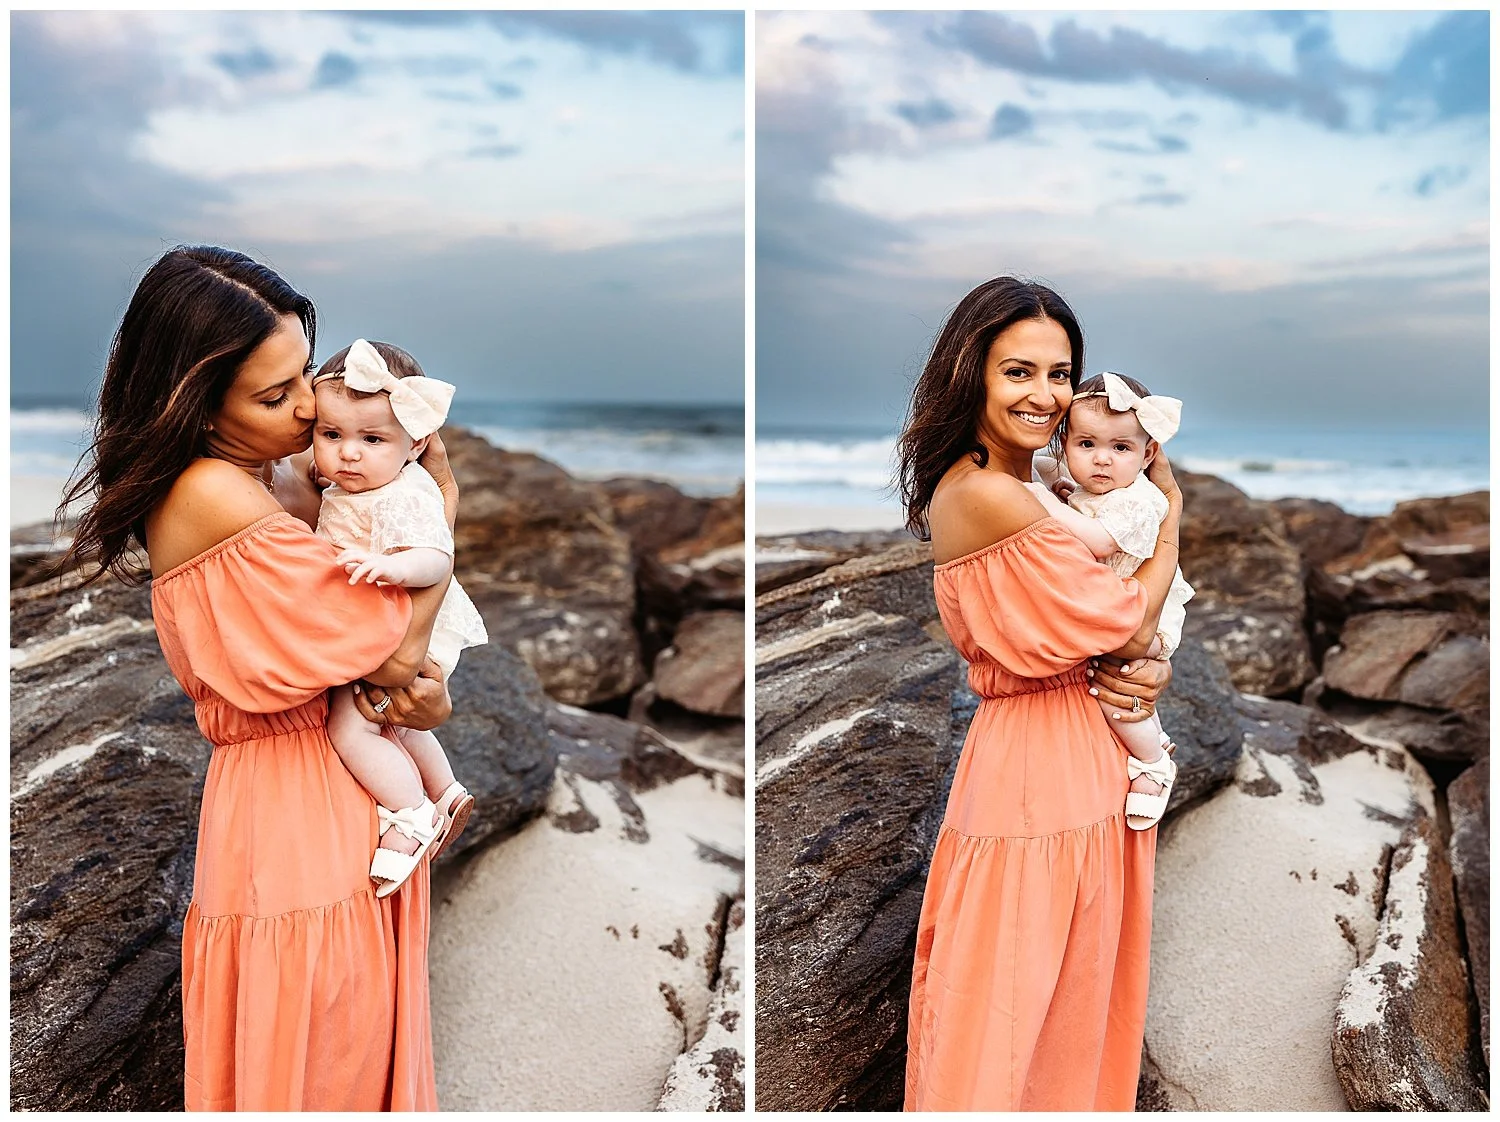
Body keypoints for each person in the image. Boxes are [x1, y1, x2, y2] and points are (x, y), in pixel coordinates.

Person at [57, 245, 452, 1110]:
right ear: (195, 407)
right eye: (275, 397)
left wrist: (421, 691)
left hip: (335, 783)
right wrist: (445, 529)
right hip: (292, 808)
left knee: (343, 1039)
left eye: (304, 376)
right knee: (320, 1054)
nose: (310, 407)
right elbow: (386, 653)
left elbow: (394, 674)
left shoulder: (272, 478)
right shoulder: (212, 492)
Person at [895, 276, 1182, 1110]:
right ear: (970, 372)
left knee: (1071, 1004)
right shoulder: (984, 491)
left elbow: (1114, 636)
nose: (1045, 395)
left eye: (1060, 375)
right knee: (1000, 1016)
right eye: (1019, 371)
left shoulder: (1036, 486)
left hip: (1088, 754)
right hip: (1033, 771)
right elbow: (1126, 625)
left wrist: (1145, 661)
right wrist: (1172, 514)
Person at [310, 337, 487, 896]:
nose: (349, 454)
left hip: (415, 627)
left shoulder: (404, 494)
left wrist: (388, 566)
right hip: (390, 627)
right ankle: (445, 789)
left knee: (351, 728)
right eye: (331, 435)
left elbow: (437, 557)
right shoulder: (361, 485)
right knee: (386, 722)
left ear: (415, 446)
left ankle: (410, 813)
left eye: (372, 439)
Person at [1029, 370, 1195, 829]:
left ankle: (1153, 762)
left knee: (1115, 686)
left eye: (1120, 448)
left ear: (1148, 454)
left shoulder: (1140, 501)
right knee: (1114, 679)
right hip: (1116, 606)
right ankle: (1155, 742)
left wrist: (1042, 501)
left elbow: (1099, 541)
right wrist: (1057, 489)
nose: (1102, 460)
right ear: (1064, 445)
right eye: (1087, 445)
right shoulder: (1095, 490)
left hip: (1148, 615)